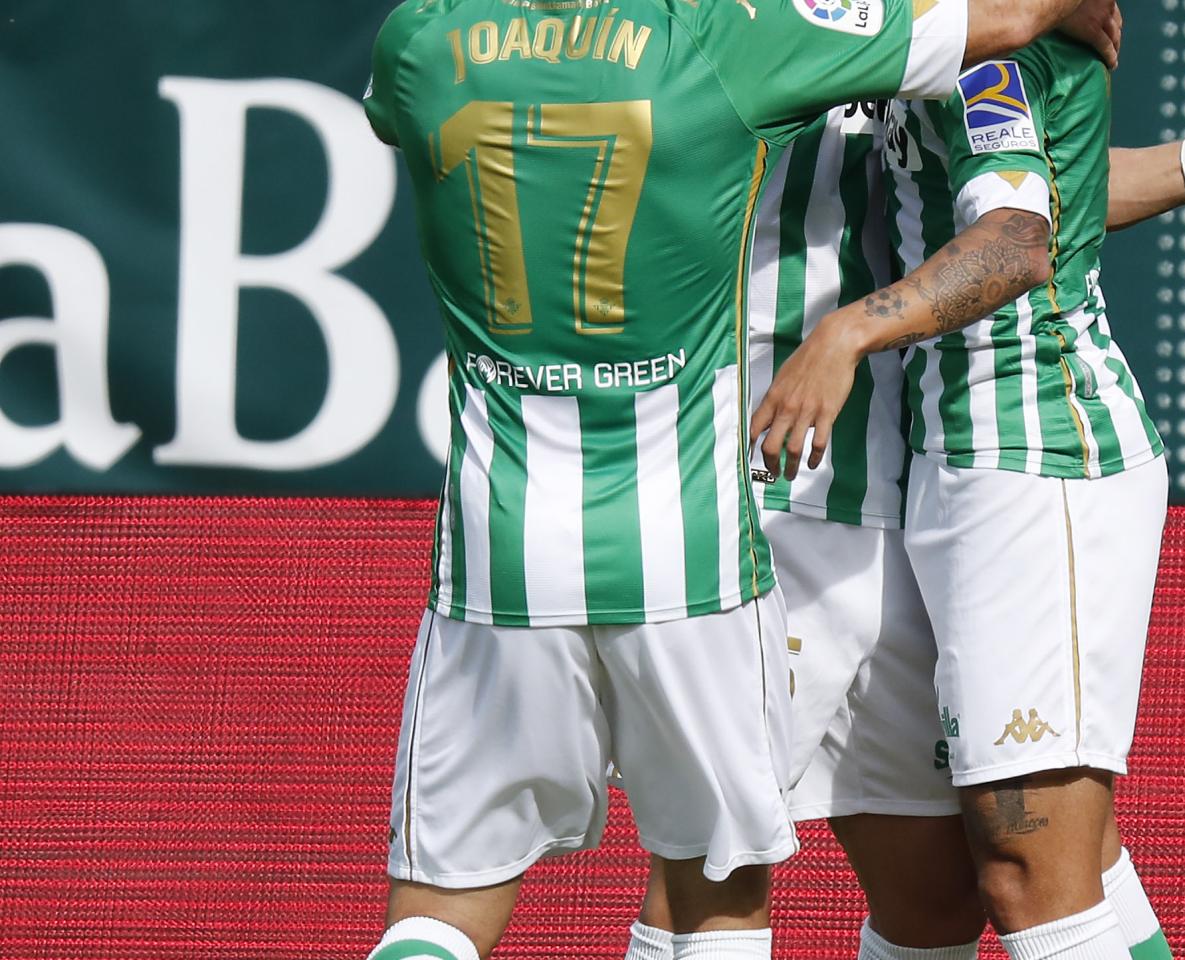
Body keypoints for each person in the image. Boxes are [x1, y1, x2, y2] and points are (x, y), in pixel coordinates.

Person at [356, 0, 1119, 957]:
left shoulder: (425, 40)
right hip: (715, 524)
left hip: (541, 537)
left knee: (443, 905)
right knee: (712, 894)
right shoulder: (722, 38)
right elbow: (1004, 29)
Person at [751, 29, 1185, 960]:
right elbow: (1047, 187)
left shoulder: (990, 50)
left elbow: (1021, 235)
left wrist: (848, 333)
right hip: (957, 460)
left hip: (1037, 458)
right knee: (1075, 860)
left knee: (1032, 873)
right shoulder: (959, 31)